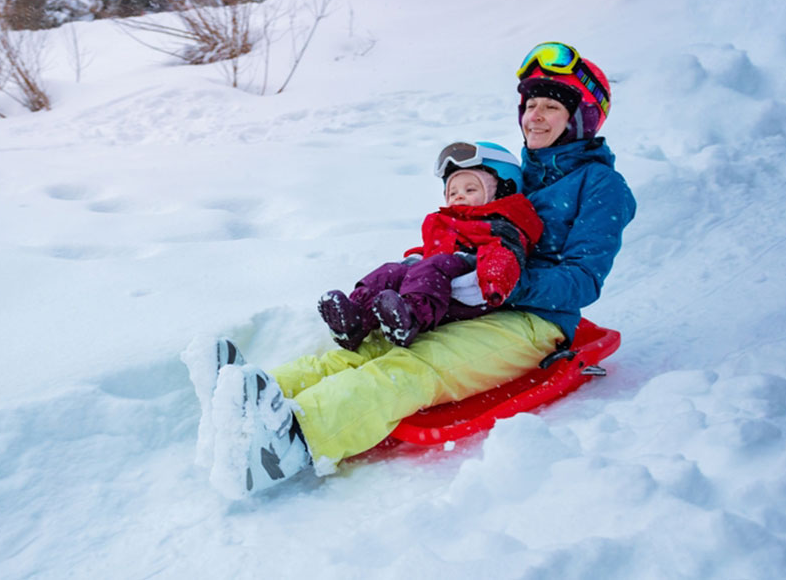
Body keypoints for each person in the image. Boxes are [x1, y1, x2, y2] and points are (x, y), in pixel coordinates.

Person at [185, 41, 636, 499]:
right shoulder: (520, 172)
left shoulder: (602, 186)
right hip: (470, 307)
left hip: (533, 319)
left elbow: (583, 281)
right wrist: (423, 268)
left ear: (580, 118)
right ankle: (247, 400)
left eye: (551, 107)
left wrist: (500, 286)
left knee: (412, 365)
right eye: (530, 105)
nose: (534, 116)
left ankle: (292, 441)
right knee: (367, 347)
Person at [317, 141, 544, 351]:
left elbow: (504, 254)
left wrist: (494, 282)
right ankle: (355, 319)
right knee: (392, 270)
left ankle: (410, 317)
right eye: (452, 192)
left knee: (434, 265)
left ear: (502, 190)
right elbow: (431, 250)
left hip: (472, 290)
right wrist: (411, 261)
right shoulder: (446, 222)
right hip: (437, 281)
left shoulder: (500, 224)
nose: (459, 196)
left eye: (470, 190)